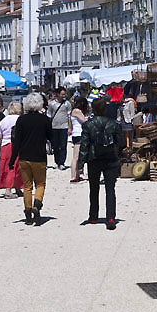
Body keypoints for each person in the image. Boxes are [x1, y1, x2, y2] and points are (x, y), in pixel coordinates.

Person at [80, 96, 122, 230]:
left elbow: (84, 145)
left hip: (94, 159)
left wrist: (80, 165)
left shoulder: (88, 125)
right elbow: (121, 143)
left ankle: (93, 216)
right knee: (110, 189)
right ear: (105, 109)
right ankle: (110, 217)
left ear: (93, 109)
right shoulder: (114, 124)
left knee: (94, 188)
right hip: (111, 158)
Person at [10, 92, 52, 225]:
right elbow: (51, 137)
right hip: (39, 156)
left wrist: (12, 160)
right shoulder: (44, 120)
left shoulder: (21, 120)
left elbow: (17, 141)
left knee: (27, 186)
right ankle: (37, 204)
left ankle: (28, 214)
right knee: (40, 184)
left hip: (24, 156)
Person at [0, 101, 24, 199]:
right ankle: (9, 190)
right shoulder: (20, 119)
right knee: (16, 167)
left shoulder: (4, 120)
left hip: (5, 145)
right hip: (16, 145)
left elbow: (0, 136)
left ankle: (17, 189)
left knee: (6, 167)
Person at [48, 87, 72, 170]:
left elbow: (69, 116)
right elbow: (49, 116)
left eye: (64, 94)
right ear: (58, 94)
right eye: (62, 94)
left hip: (64, 127)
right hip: (54, 127)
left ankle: (61, 162)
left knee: (63, 145)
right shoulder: (52, 104)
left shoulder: (67, 104)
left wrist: (69, 128)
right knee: (55, 145)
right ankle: (56, 161)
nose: (64, 96)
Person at [68, 98, 89, 183]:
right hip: (78, 134)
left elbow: (70, 122)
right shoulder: (77, 111)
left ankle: (77, 175)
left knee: (78, 157)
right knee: (76, 157)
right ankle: (73, 176)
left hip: (77, 134)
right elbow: (84, 120)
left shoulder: (73, 111)